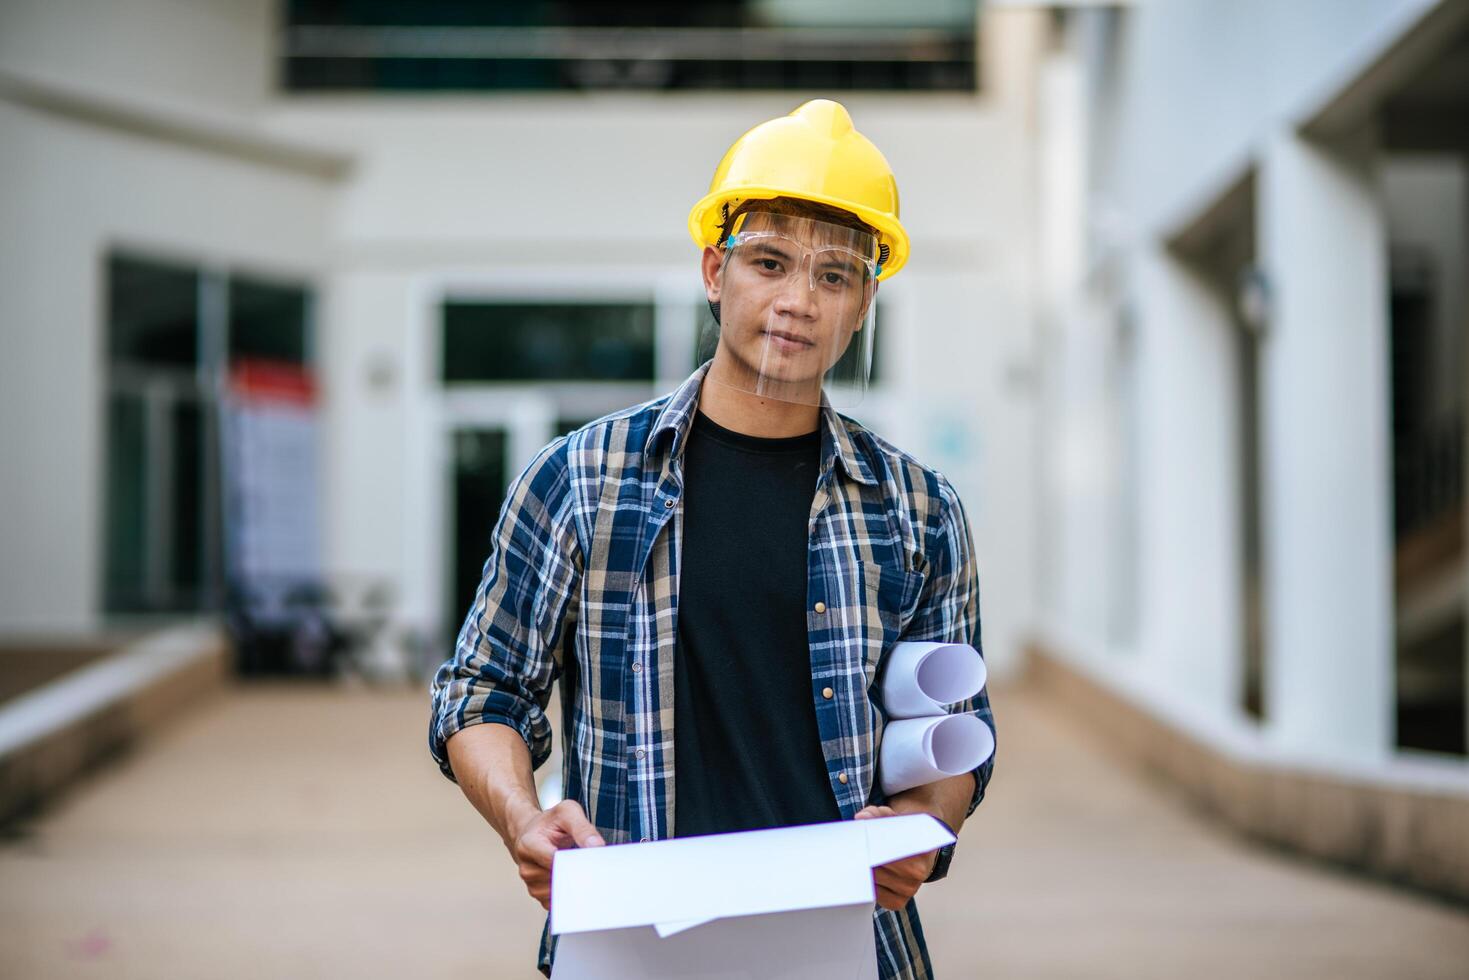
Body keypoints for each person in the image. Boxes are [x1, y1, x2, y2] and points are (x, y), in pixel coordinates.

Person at [428, 99, 995, 979]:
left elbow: (953, 730)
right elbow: (480, 693)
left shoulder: (918, 510)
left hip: (848, 943)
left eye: (835, 276)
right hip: (631, 941)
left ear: (863, 305)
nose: (798, 301)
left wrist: (926, 826)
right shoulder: (579, 480)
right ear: (713, 269)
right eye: (769, 262)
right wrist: (523, 817)